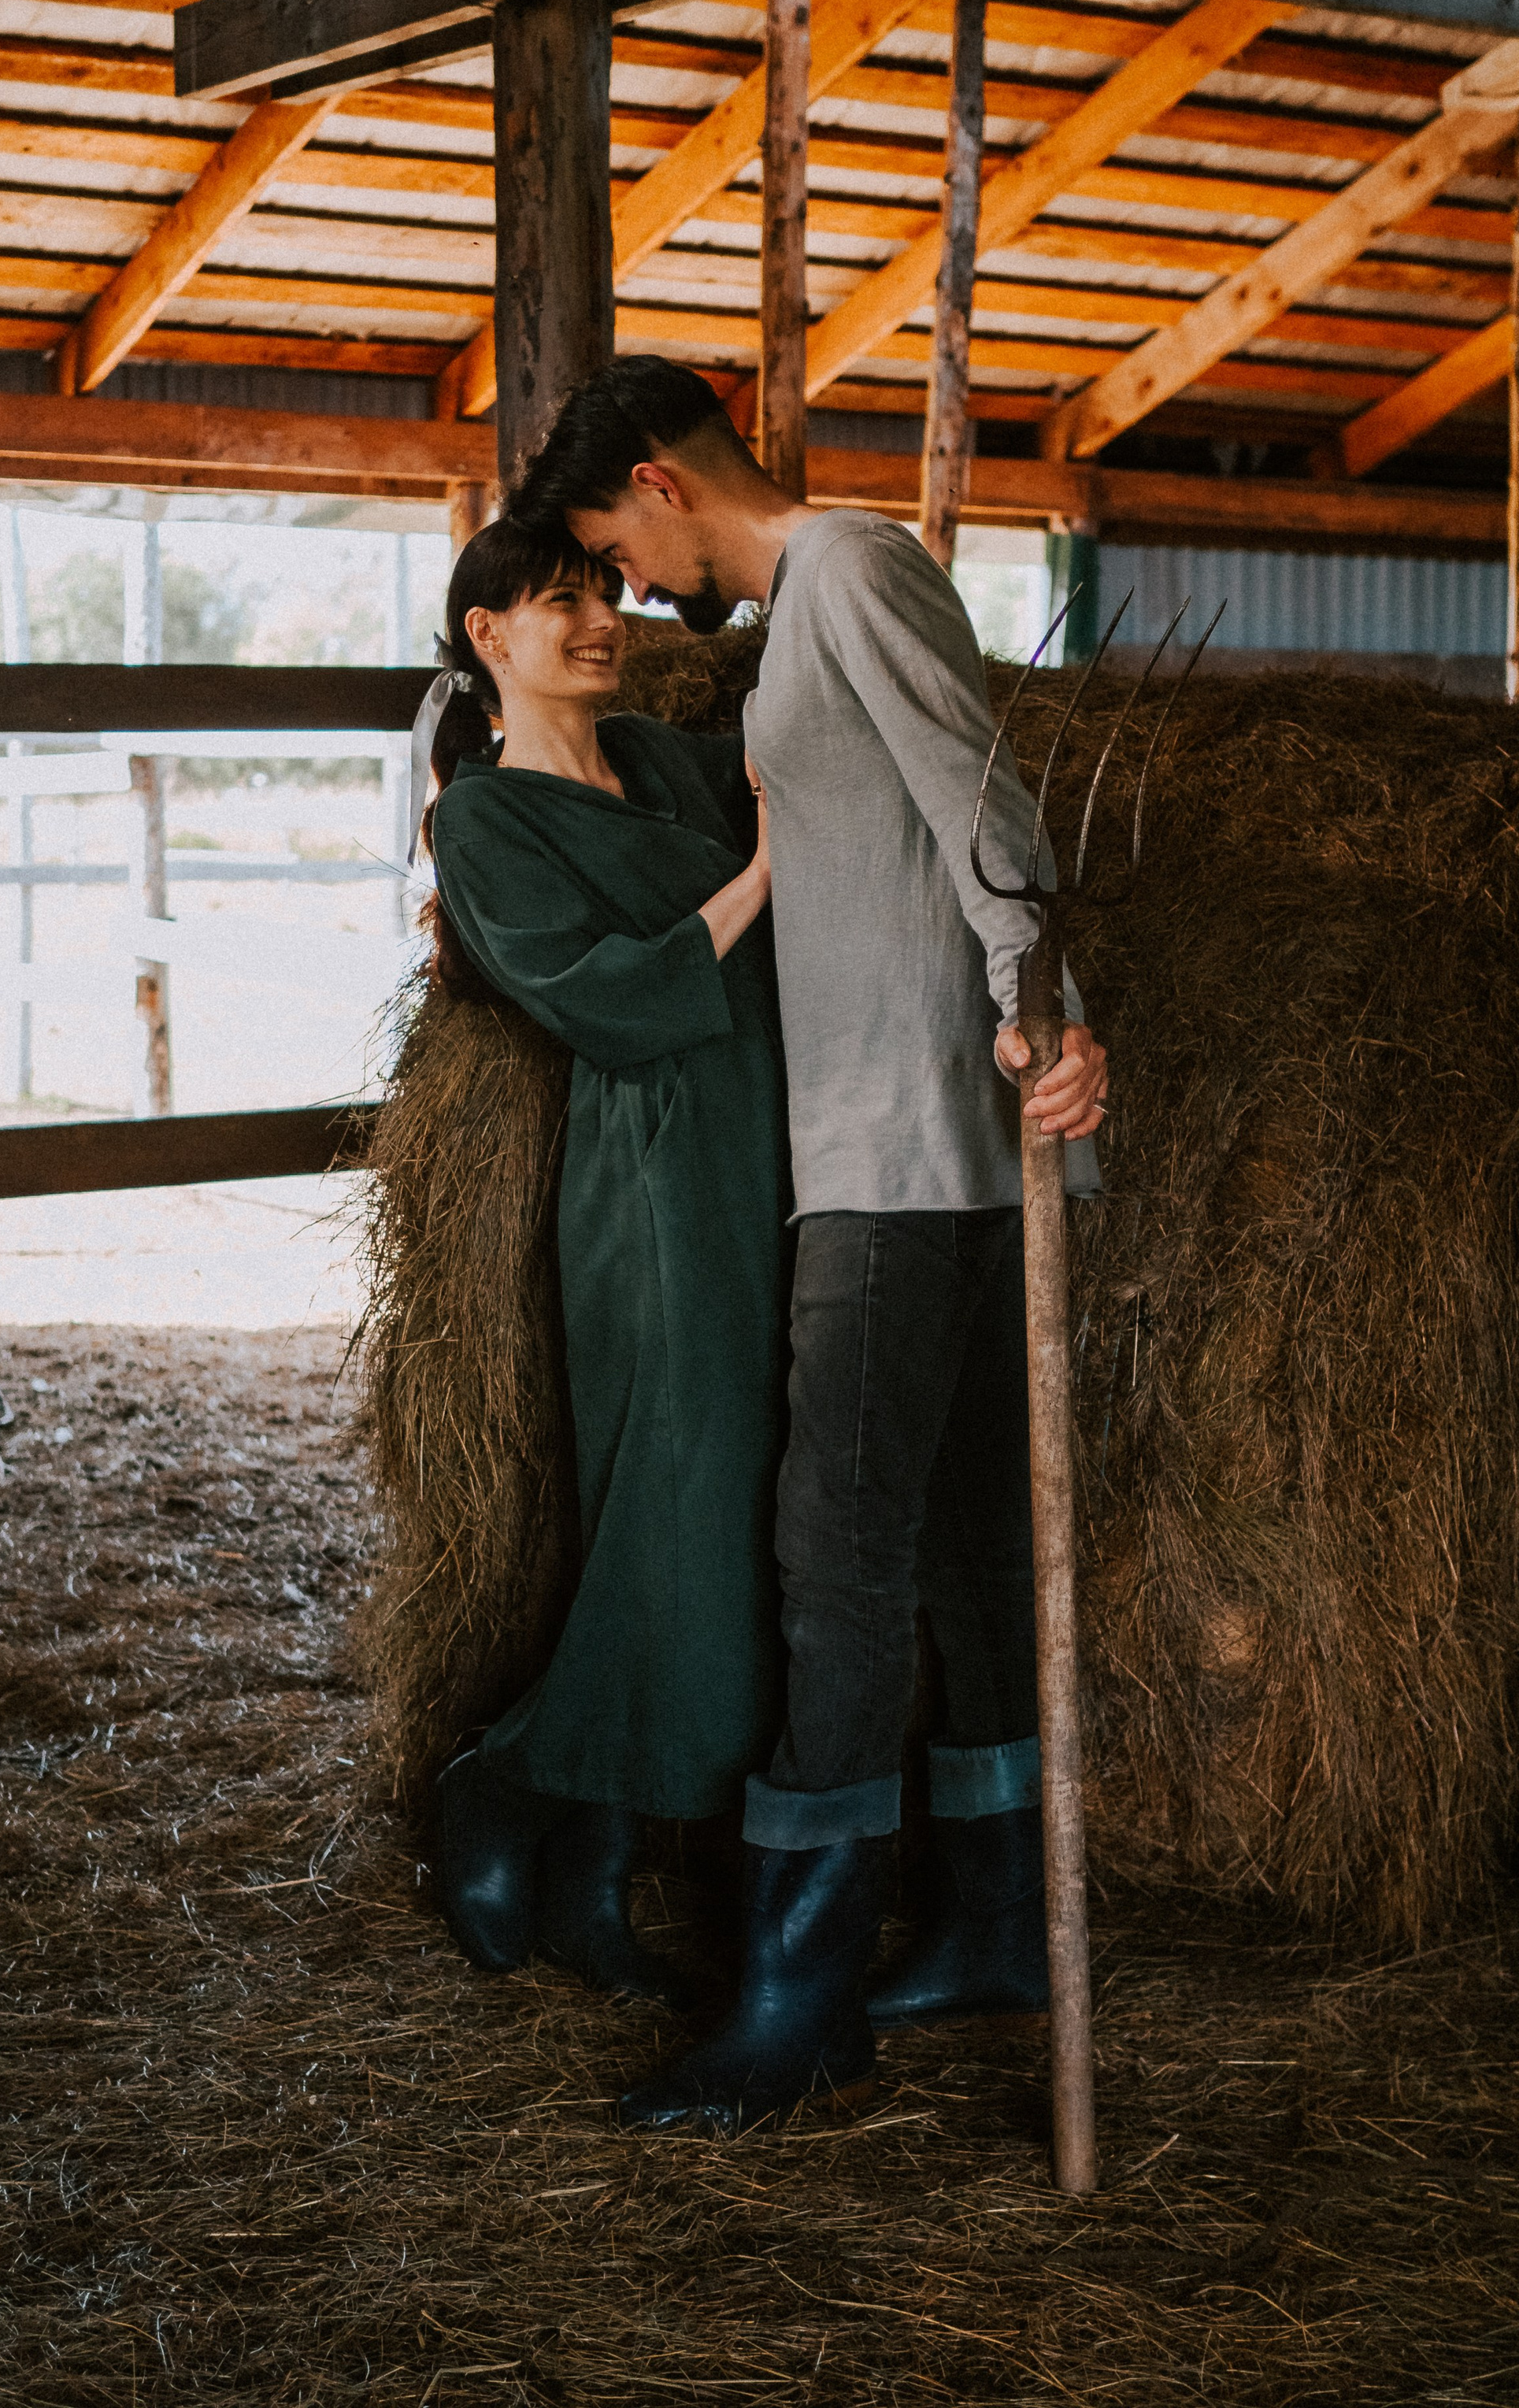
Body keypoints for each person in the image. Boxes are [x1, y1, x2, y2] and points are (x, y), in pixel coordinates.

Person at [510, 357, 1110, 2134]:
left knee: (831, 1564)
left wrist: (1033, 1010)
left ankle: (796, 1995)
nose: (624, 582)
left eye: (612, 541)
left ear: (656, 480)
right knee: (952, 1550)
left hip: (909, 1152)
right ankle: (995, 1921)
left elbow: (981, 797)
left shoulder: (846, 567)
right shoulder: (806, 613)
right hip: (890, 1140)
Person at [417, 516, 788, 2010]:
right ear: (486, 634)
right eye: (560, 601)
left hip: (766, 1145)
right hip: (649, 1174)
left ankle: (591, 1866)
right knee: (670, 1496)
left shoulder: (669, 760)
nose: (599, 620)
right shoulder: (484, 820)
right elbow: (607, 998)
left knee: (734, 1495)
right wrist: (764, 876)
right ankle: (505, 1784)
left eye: (607, 594)